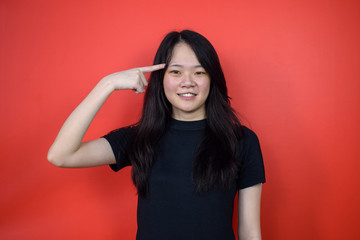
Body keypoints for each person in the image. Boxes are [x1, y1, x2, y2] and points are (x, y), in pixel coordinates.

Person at [48, 30, 265, 240]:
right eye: (176, 72)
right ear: (161, 79)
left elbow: (250, 233)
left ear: (212, 79)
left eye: (199, 72)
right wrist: (107, 84)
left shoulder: (242, 141)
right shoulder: (139, 138)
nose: (187, 81)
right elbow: (61, 155)